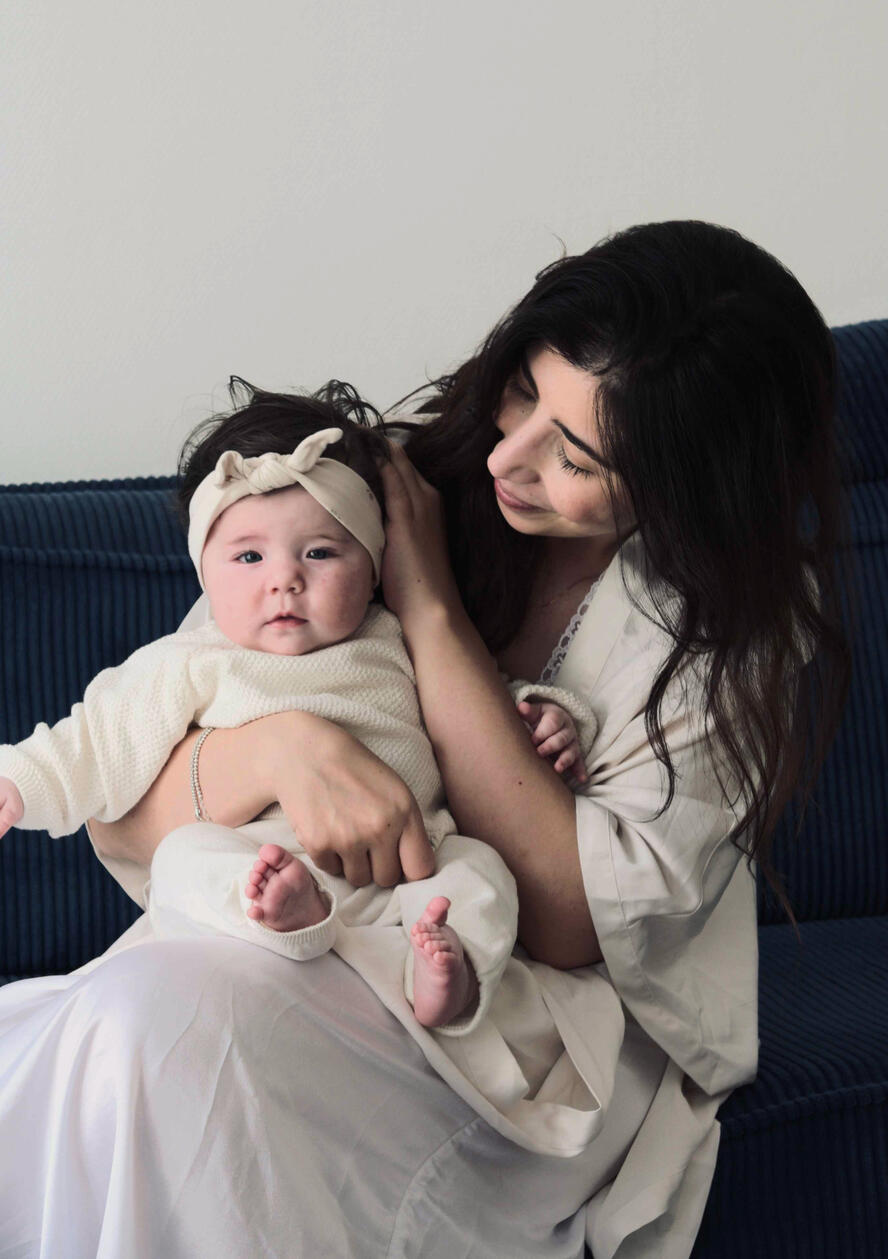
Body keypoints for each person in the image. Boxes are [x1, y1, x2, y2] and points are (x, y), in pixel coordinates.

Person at [0, 220, 849, 1259]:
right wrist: (279, 752)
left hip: (534, 1020)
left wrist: (431, 607)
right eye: (524, 392)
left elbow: (571, 918)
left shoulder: (728, 625)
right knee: (131, 1028)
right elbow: (131, 779)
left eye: (574, 454)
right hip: (291, 940)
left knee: (166, 1038)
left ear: (687, 487)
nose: (507, 453)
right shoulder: (374, 483)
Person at [0, 385, 596, 1082]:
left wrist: (552, 718)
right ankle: (287, 920)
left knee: (482, 877)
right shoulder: (191, 660)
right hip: (257, 864)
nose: (283, 580)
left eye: (318, 552)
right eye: (248, 558)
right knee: (184, 858)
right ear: (203, 574)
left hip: (409, 871)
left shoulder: (401, 641)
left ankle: (448, 980)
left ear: (375, 567)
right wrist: (18, 780)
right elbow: (95, 742)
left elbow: (482, 703)